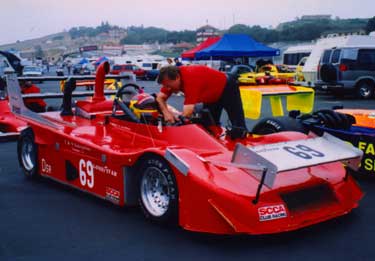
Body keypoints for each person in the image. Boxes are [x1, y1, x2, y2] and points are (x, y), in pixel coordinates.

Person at [156, 65, 248, 139]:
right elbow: (159, 98)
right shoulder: (170, 78)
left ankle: (246, 147)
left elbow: (187, 113)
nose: (167, 89)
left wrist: (174, 124)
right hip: (210, 94)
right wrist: (166, 113)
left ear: (176, 78)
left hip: (227, 87)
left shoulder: (190, 79)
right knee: (210, 126)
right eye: (165, 86)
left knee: (238, 126)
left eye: (168, 85)